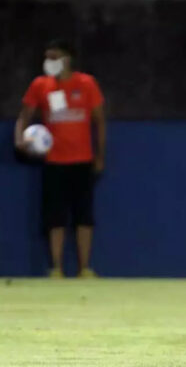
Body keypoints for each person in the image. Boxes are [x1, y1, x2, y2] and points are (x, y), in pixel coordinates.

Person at [14, 39, 105, 278]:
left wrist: (99, 155)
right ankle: (57, 268)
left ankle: (84, 268)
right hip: (54, 161)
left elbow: (99, 121)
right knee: (55, 216)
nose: (49, 62)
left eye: (54, 57)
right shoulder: (40, 85)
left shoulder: (86, 84)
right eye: (47, 57)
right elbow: (24, 116)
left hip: (82, 159)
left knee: (83, 215)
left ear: (67, 59)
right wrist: (19, 140)